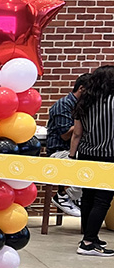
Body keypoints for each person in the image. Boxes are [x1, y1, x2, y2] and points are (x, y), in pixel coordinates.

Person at [69, 65, 114, 257]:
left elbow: (77, 134)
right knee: (103, 200)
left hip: (86, 155)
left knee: (87, 197)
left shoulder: (84, 102)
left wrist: (71, 157)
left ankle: (90, 237)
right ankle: (88, 242)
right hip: (109, 155)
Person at [46, 73, 90, 216]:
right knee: (84, 162)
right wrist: (83, 123)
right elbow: (65, 134)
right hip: (58, 152)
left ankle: (74, 196)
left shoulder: (80, 106)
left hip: (72, 151)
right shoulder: (63, 104)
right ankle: (65, 195)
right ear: (82, 89)